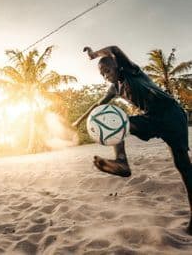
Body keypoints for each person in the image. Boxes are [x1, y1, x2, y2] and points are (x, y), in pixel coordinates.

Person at [73, 45, 191, 234]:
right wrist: (79, 120)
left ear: (116, 66)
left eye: (107, 70)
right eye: (101, 74)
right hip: (151, 118)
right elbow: (98, 104)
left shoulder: (130, 70)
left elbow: (114, 49)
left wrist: (94, 54)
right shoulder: (114, 89)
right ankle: (122, 163)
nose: (105, 75)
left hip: (171, 114)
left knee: (183, 166)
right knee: (118, 122)